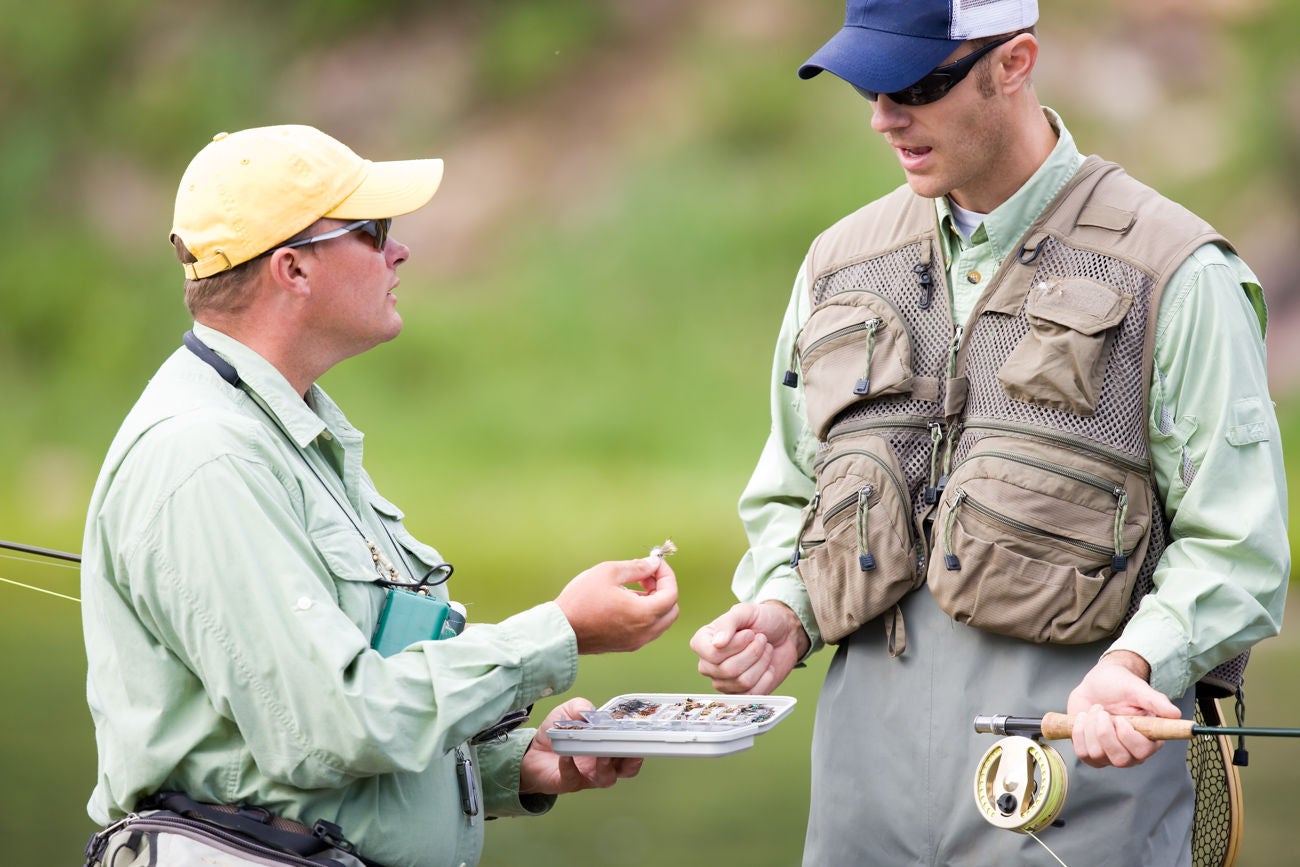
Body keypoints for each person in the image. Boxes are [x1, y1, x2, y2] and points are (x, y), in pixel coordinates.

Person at [689, 1, 1288, 864]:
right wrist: (785, 610)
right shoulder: (835, 264)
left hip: (1082, 802)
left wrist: (1140, 665)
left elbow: (1237, 546)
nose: (885, 117)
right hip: (860, 813)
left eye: (917, 85)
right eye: (870, 86)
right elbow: (791, 491)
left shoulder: (1178, 274)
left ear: (1014, 63)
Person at [80, 124, 679, 867]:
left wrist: (520, 763)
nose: (401, 252)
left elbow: (304, 754)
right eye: (375, 232)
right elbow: (325, 727)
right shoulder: (204, 455)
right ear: (293, 270)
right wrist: (557, 632)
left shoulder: (286, 434)